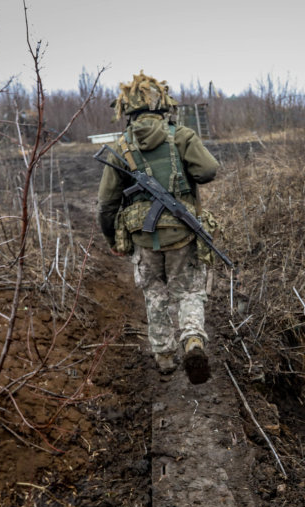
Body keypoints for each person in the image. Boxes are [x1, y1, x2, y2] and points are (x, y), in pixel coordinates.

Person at [97, 72, 220, 384]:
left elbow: (106, 204)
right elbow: (208, 171)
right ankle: (192, 339)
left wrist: (114, 238)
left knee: (155, 293)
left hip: (143, 236)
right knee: (189, 289)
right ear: (162, 105)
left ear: (127, 109)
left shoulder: (121, 145)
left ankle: (164, 357)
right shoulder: (181, 135)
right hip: (181, 234)